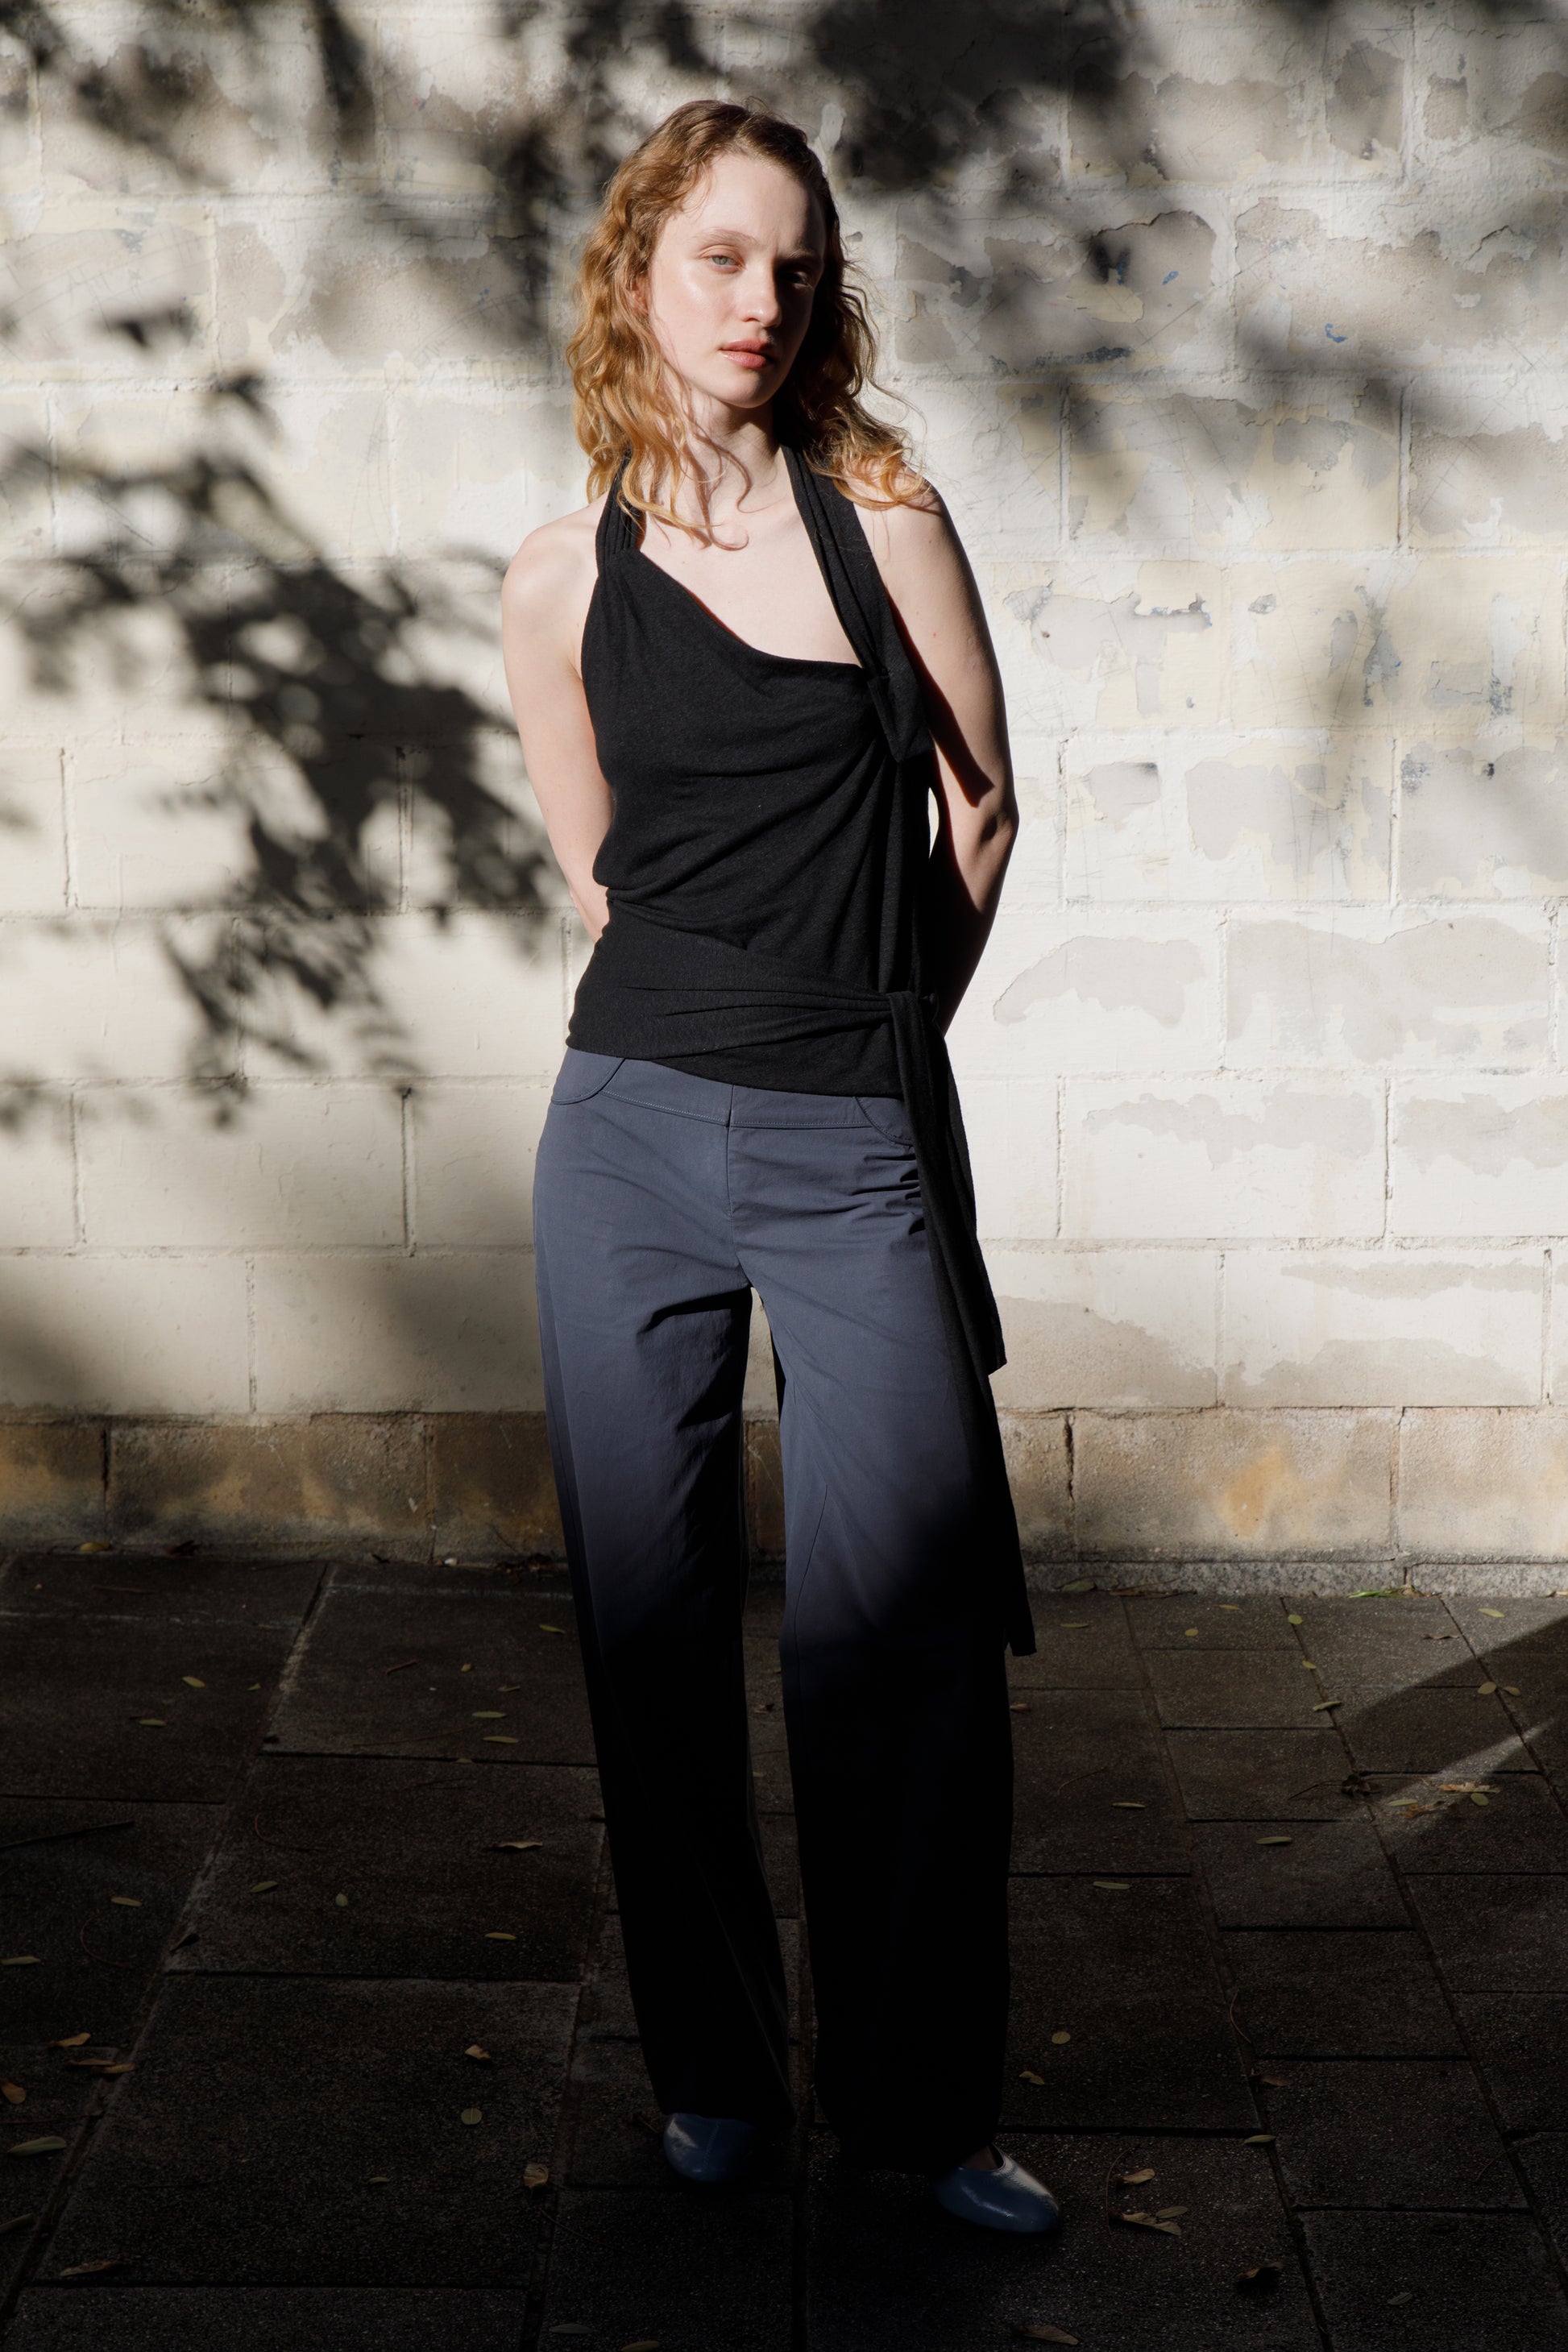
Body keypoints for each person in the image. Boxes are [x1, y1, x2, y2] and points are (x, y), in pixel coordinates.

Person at [500, 97, 1053, 2234]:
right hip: (621, 1141)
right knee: (646, 1631)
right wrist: (724, 1018)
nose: (761, 298)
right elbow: (597, 869)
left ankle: (918, 2116)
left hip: (850, 1138)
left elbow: (977, 810)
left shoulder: (878, 517)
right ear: (640, 269)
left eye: (796, 266)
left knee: (890, 1641)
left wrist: (870, 1019)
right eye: (721, 256)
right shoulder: (564, 573)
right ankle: (713, 2078)